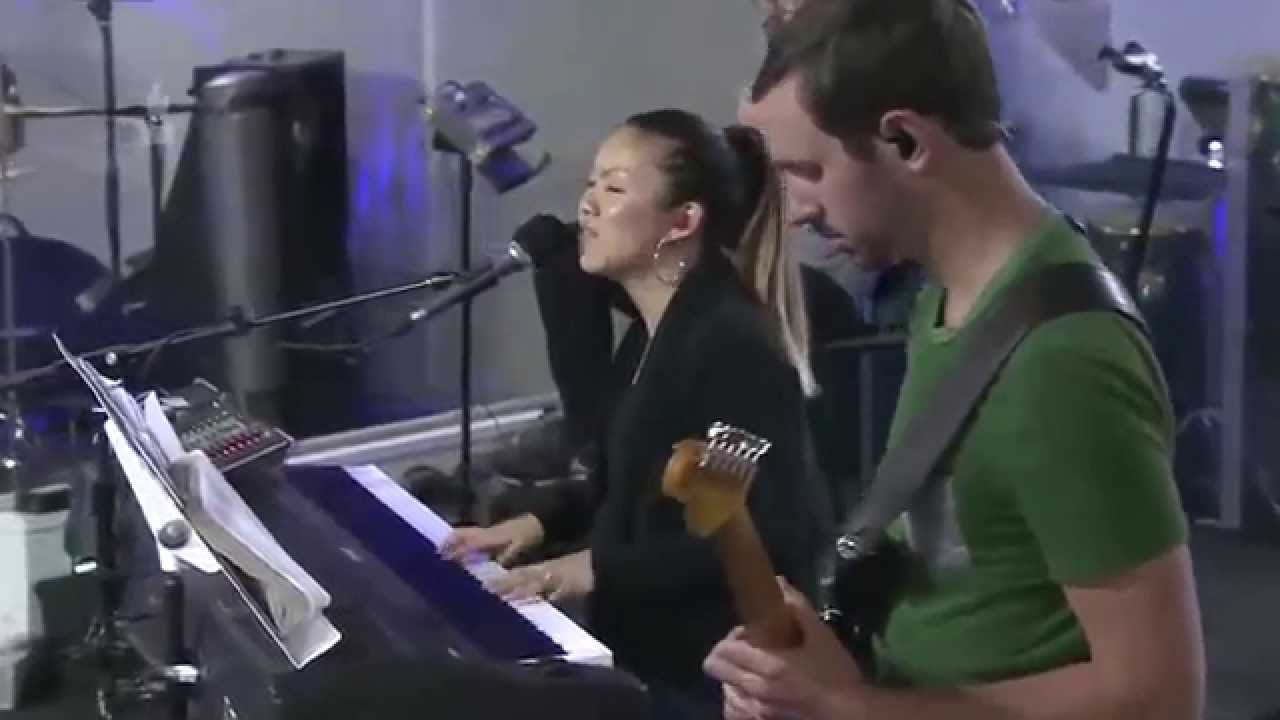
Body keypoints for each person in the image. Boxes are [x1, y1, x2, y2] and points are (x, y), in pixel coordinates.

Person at [702, 1, 1206, 719]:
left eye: (807, 170)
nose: (799, 209)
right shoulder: (950, 298)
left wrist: (853, 707)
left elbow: (1159, 697)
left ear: (905, 140)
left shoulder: (1063, 359)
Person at [441, 108, 833, 718]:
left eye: (615, 188)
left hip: (712, 680)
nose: (588, 205)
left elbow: (750, 533)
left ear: (683, 221)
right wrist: (536, 525)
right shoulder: (656, 330)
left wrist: (589, 568)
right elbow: (636, 479)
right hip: (645, 653)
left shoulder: (730, 346)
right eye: (591, 184)